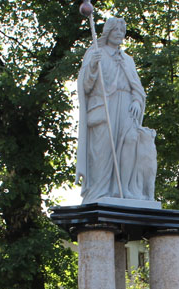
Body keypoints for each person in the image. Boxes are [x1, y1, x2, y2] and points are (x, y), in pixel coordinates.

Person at [75, 17, 155, 203]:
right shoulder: (96, 53)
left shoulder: (128, 60)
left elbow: (138, 88)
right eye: (116, 30)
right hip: (104, 108)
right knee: (102, 153)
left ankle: (125, 189)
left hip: (127, 107)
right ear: (108, 32)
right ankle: (99, 192)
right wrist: (93, 66)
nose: (120, 33)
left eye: (122, 30)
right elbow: (85, 86)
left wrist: (136, 100)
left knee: (131, 140)